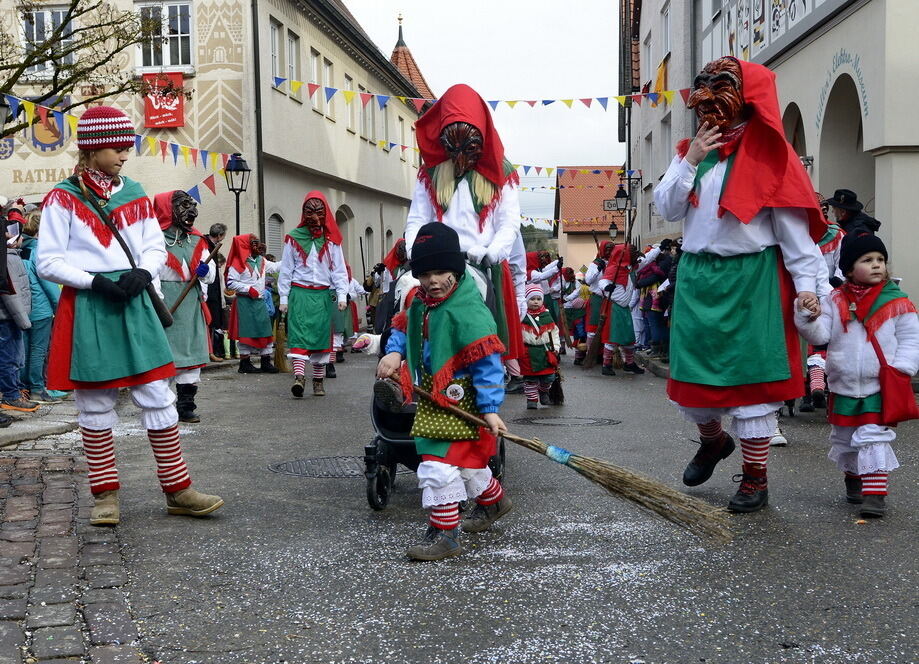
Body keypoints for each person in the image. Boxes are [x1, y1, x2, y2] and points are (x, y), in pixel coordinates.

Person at [653, 57, 827, 513]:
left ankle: (755, 478)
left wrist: (809, 286)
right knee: (696, 383)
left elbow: (796, 238)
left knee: (751, 388)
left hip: (751, 280)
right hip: (696, 278)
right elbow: (668, 208)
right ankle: (713, 443)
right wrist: (690, 158)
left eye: (721, 86)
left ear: (746, 95)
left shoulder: (772, 156)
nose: (706, 96)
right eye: (703, 86)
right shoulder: (691, 151)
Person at [37, 105, 223, 525]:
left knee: (158, 396)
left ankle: (178, 489)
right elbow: (47, 261)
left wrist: (144, 269)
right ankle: (105, 497)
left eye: (127, 147)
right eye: (117, 147)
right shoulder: (63, 198)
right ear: (93, 149)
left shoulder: (135, 192)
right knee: (96, 401)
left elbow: (154, 245)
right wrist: (94, 282)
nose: (124, 154)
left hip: (135, 300)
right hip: (91, 304)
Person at [376, 222, 511, 561]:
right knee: (463, 463)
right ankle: (494, 502)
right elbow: (406, 328)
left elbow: (488, 363)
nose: (432, 281)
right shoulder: (421, 302)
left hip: (461, 399)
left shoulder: (469, 311)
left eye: (440, 272)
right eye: (424, 274)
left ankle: (445, 535)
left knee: (438, 465)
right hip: (433, 395)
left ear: (456, 269)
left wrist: (490, 407)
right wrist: (395, 351)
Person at [795, 233, 919, 518]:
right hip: (843, 382)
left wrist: (902, 367)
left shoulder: (897, 302)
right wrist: (806, 317)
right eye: (867, 260)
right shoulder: (834, 300)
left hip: (880, 384)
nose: (877, 265)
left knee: (874, 437)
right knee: (847, 439)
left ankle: (875, 494)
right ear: (849, 269)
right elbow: (821, 334)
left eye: (880, 260)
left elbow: (911, 339)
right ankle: (854, 481)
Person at [403, 83, 524, 369]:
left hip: (483, 260)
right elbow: (417, 218)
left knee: (485, 330)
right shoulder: (430, 174)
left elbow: (509, 222)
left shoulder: (502, 172)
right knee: (403, 297)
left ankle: (492, 375)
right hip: (436, 260)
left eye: (467, 148)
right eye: (451, 147)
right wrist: (413, 249)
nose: (458, 157)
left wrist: (493, 251)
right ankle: (397, 356)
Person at [277, 192, 348, 397]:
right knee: (299, 336)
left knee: (320, 339)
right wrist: (283, 298)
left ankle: (318, 381)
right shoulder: (293, 238)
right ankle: (299, 378)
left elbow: (339, 270)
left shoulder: (332, 241)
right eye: (309, 211)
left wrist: (342, 295)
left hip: (322, 296)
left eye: (318, 211)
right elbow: (286, 270)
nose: (313, 216)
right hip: (299, 293)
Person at [153, 190, 216, 423]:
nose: (191, 212)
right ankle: (162, 405)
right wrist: (158, 303)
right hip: (165, 302)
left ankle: (186, 405)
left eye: (192, 205)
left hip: (191, 302)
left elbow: (210, 275)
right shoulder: (155, 238)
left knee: (190, 355)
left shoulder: (198, 240)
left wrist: (205, 272)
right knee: (164, 355)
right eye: (183, 206)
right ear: (167, 210)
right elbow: (151, 272)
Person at [19, 212, 61, 403]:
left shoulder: (21, 249)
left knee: (26, 350)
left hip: (23, 308)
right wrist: (59, 306)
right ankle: (37, 389)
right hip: (41, 309)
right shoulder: (39, 251)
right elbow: (49, 283)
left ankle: (24, 387)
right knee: (38, 350)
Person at [225, 234, 280, 375]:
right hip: (245, 302)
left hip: (259, 302)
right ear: (246, 246)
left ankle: (266, 361)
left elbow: (274, 268)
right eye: (254, 244)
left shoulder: (262, 260)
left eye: (258, 243)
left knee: (264, 330)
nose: (259, 246)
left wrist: (292, 257)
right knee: (246, 332)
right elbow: (230, 282)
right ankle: (245, 363)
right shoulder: (238, 262)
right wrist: (248, 289)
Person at [1, 229, 37, 414]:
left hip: (12, 316)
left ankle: (13, 392)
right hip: (9, 317)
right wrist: (23, 320)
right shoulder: (8, 258)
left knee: (14, 357)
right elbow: (11, 294)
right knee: (10, 358)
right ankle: (11, 395)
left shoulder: (12, 255)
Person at [599, 244, 645, 375]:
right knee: (612, 337)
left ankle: (629, 363)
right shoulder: (614, 268)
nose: (636, 255)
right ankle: (606, 365)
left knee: (629, 337)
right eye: (632, 253)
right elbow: (603, 281)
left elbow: (645, 262)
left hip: (624, 308)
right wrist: (606, 287)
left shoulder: (630, 268)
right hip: (614, 307)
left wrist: (658, 249)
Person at [519, 284, 561, 409]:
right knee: (530, 378)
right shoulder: (522, 316)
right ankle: (532, 399)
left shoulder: (547, 316)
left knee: (549, 376)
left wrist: (556, 347)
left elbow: (554, 333)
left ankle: (544, 391)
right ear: (526, 300)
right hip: (528, 351)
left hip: (545, 351)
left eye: (538, 299)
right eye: (532, 299)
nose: (535, 302)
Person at [584, 241, 614, 366]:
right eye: (607, 249)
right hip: (597, 299)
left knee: (608, 328)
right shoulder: (595, 264)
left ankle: (604, 355)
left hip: (610, 299)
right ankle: (591, 354)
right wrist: (598, 269)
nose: (609, 252)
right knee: (593, 327)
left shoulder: (614, 263)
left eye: (611, 249)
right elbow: (588, 280)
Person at [204, 223, 227, 362]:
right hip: (208, 290)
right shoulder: (205, 245)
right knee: (209, 320)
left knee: (213, 321)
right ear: (219, 235)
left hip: (214, 290)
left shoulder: (213, 246)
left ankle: (212, 350)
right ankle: (209, 351)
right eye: (223, 235)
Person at [561, 267, 588, 364]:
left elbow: (578, 292)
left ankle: (579, 356)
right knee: (564, 330)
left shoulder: (577, 283)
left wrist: (567, 298)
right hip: (565, 310)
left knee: (579, 332)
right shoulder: (562, 282)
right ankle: (563, 347)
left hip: (576, 310)